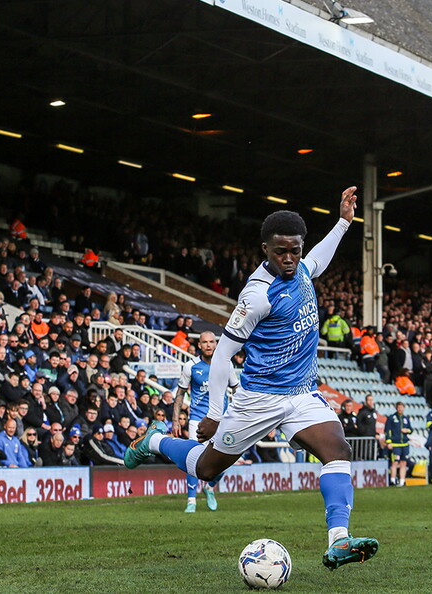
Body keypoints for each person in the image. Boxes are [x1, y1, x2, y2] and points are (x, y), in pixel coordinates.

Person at [123, 189, 378, 569]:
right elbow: (224, 353)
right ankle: (155, 441)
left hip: (302, 394)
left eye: (294, 250)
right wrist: (213, 411)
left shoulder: (303, 270)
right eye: (280, 252)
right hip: (258, 398)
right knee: (207, 469)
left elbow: (318, 257)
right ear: (265, 249)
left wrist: (343, 222)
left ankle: (339, 540)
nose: (288, 258)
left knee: (337, 450)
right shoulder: (257, 296)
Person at [172, 330, 238, 513]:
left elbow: (237, 389)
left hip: (221, 421)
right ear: (199, 345)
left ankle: (209, 487)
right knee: (193, 458)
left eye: (211, 341)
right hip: (197, 419)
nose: (208, 345)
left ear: (216, 344)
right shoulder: (190, 366)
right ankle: (191, 500)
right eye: (204, 342)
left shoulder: (226, 365)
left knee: (226, 459)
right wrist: (175, 421)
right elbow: (180, 394)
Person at [384, 401, 412, 487]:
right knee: (395, 462)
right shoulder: (392, 418)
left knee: (403, 463)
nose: (400, 409)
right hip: (395, 444)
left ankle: (402, 481)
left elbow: (411, 429)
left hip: (404, 444)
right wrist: (389, 442)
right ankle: (392, 480)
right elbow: (387, 430)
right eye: (399, 407)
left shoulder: (406, 419)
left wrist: (407, 430)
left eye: (401, 407)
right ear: (396, 408)